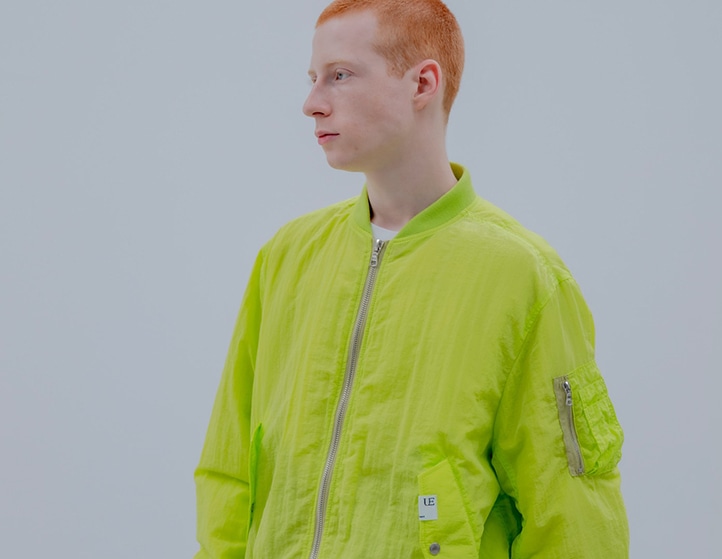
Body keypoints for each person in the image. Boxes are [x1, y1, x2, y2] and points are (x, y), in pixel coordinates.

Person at [193, 0, 629, 557]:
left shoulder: (524, 275)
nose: (311, 103)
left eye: (340, 75)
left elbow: (570, 512)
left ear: (422, 83)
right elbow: (229, 469)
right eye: (312, 78)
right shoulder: (287, 256)